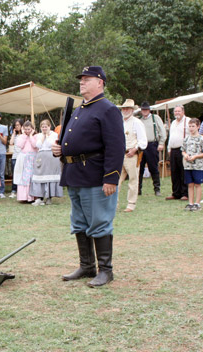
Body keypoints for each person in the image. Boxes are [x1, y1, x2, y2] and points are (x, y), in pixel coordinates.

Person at [52, 66, 125, 287]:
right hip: (75, 174)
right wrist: (62, 150)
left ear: (100, 82)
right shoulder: (80, 109)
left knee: (99, 222)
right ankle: (86, 266)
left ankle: (105, 270)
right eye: (81, 79)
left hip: (95, 174)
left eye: (87, 79)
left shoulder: (107, 109)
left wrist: (111, 177)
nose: (82, 82)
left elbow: (116, 146)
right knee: (80, 223)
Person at [117, 99, 147, 212]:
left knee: (133, 180)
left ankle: (131, 204)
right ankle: (114, 204)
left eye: (127, 109)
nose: (125, 110)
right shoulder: (119, 122)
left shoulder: (137, 122)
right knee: (116, 180)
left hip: (131, 155)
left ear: (132, 110)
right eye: (124, 108)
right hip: (120, 155)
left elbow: (143, 141)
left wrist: (135, 149)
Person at [29, 119, 63, 205]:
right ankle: (40, 197)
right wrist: (43, 136)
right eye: (42, 127)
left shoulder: (54, 134)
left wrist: (47, 136)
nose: (44, 128)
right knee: (39, 176)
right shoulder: (38, 135)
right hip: (41, 156)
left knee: (50, 177)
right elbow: (38, 145)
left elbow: (50, 144)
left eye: (46, 127)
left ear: (49, 126)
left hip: (51, 156)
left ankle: (49, 197)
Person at [138, 101, 166, 196]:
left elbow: (162, 131)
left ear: (149, 110)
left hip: (152, 144)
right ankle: (138, 189)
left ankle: (157, 189)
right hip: (141, 146)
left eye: (146, 109)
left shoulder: (155, 118)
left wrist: (161, 143)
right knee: (139, 167)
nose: (144, 111)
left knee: (153, 167)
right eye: (143, 110)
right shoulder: (139, 120)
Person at [181, 118, 203, 211]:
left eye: (193, 126)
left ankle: (197, 203)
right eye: (190, 126)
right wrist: (185, 155)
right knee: (190, 184)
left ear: (198, 126)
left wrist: (196, 156)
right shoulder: (187, 138)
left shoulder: (202, 139)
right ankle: (190, 202)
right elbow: (183, 150)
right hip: (188, 166)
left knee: (197, 184)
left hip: (198, 165)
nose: (191, 128)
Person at [165, 105, 189, 201]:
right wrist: (169, 148)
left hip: (183, 149)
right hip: (173, 149)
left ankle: (185, 193)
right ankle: (176, 193)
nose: (177, 113)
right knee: (174, 172)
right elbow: (171, 136)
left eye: (179, 111)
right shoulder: (174, 122)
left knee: (183, 171)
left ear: (183, 111)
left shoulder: (187, 121)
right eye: (175, 111)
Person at [13, 121, 38, 202]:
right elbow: (19, 145)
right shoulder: (21, 137)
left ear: (32, 129)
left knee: (32, 177)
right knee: (24, 177)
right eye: (26, 129)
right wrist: (24, 135)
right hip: (24, 159)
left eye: (29, 129)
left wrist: (31, 135)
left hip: (33, 158)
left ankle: (33, 196)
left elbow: (35, 145)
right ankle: (24, 197)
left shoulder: (36, 136)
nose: (27, 131)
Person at [8, 119, 24, 197]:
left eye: (18, 125)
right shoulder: (15, 135)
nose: (17, 127)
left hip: (23, 156)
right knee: (15, 174)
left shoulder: (25, 134)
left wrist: (23, 131)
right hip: (15, 156)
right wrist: (13, 134)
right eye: (15, 125)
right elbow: (11, 143)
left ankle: (21, 190)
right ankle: (14, 190)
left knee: (23, 173)